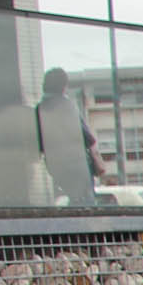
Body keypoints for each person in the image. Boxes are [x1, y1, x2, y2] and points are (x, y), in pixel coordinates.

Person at [35, 68, 102, 205]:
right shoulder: (67, 106)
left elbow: (39, 142)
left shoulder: (40, 109)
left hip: (56, 165)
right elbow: (86, 137)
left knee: (74, 197)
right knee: (86, 202)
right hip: (76, 163)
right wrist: (96, 157)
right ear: (63, 86)